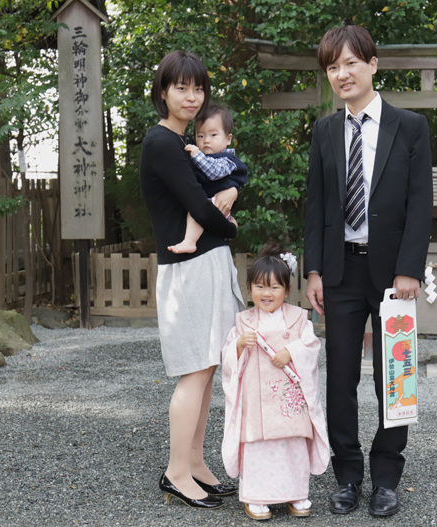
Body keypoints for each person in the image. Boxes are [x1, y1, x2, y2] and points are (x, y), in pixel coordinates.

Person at [303, 25, 433, 517]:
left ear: (373, 65)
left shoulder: (410, 126)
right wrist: (313, 270)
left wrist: (408, 270)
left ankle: (386, 476)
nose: (342, 74)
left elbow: (420, 204)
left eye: (350, 63)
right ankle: (348, 475)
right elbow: (316, 205)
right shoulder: (324, 130)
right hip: (338, 273)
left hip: (391, 277)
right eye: (332, 67)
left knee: (392, 377)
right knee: (339, 378)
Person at [139, 50, 244, 510]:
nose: (191, 96)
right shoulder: (163, 142)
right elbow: (203, 209)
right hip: (188, 271)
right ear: (163, 91)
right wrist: (231, 224)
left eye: (198, 88)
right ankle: (176, 471)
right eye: (181, 87)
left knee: (206, 371)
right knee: (194, 373)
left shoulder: (190, 145)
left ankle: (196, 464)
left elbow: (222, 189)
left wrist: (231, 196)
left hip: (206, 266)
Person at [220, 243, 330, 520]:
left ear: (287, 290)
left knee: (291, 443)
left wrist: (290, 352)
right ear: (249, 289)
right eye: (259, 286)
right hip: (257, 401)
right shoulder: (243, 322)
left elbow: (311, 346)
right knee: (259, 446)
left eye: (274, 287)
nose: (266, 293)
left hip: (287, 400)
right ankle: (257, 495)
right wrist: (239, 346)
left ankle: (295, 493)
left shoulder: (298, 319)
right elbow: (227, 358)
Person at [168, 103, 248, 254]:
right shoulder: (201, 155)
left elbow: (214, 172)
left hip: (215, 204)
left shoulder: (227, 160)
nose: (206, 140)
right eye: (200, 135)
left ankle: (189, 241)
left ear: (228, 139)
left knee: (196, 212)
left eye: (213, 135)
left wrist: (197, 156)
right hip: (213, 206)